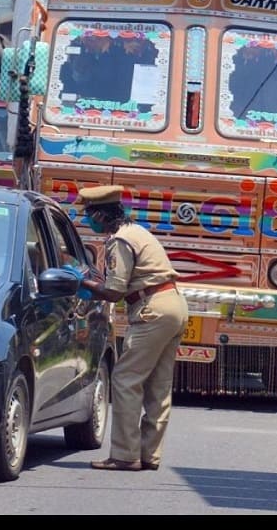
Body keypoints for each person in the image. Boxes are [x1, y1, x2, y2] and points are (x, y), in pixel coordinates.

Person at [73, 185, 188, 472]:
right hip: (173, 305)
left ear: (100, 214)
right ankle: (150, 455)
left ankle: (124, 455)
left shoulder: (120, 241)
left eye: (89, 215)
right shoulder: (138, 231)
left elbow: (114, 291)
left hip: (152, 310)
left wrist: (79, 283)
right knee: (158, 385)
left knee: (125, 379)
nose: (88, 221)